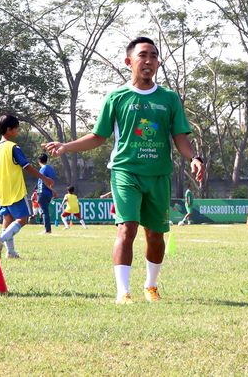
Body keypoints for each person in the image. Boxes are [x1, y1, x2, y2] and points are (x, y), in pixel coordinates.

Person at [43, 36, 205, 304]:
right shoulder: (117, 97)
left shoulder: (169, 98)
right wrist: (66, 146)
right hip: (125, 172)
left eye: (154, 56)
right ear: (129, 61)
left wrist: (194, 158)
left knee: (155, 234)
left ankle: (151, 286)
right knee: (126, 228)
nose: (149, 61)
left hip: (159, 174)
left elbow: (180, 138)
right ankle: (123, 291)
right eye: (143, 55)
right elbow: (98, 136)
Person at [0, 114, 55, 259]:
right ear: (9, 129)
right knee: (23, 218)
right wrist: (44, 178)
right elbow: (26, 166)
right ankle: (0, 239)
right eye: (16, 128)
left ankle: (11, 253)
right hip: (14, 190)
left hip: (2, 191)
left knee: (8, 218)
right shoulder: (13, 147)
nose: (18, 131)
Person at [36, 153, 57, 234]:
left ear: (39, 161)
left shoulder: (42, 169)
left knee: (44, 211)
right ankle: (47, 228)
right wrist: (52, 190)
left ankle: (47, 230)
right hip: (48, 194)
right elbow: (52, 181)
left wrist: (53, 190)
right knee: (45, 211)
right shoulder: (51, 168)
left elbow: (45, 182)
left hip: (42, 192)